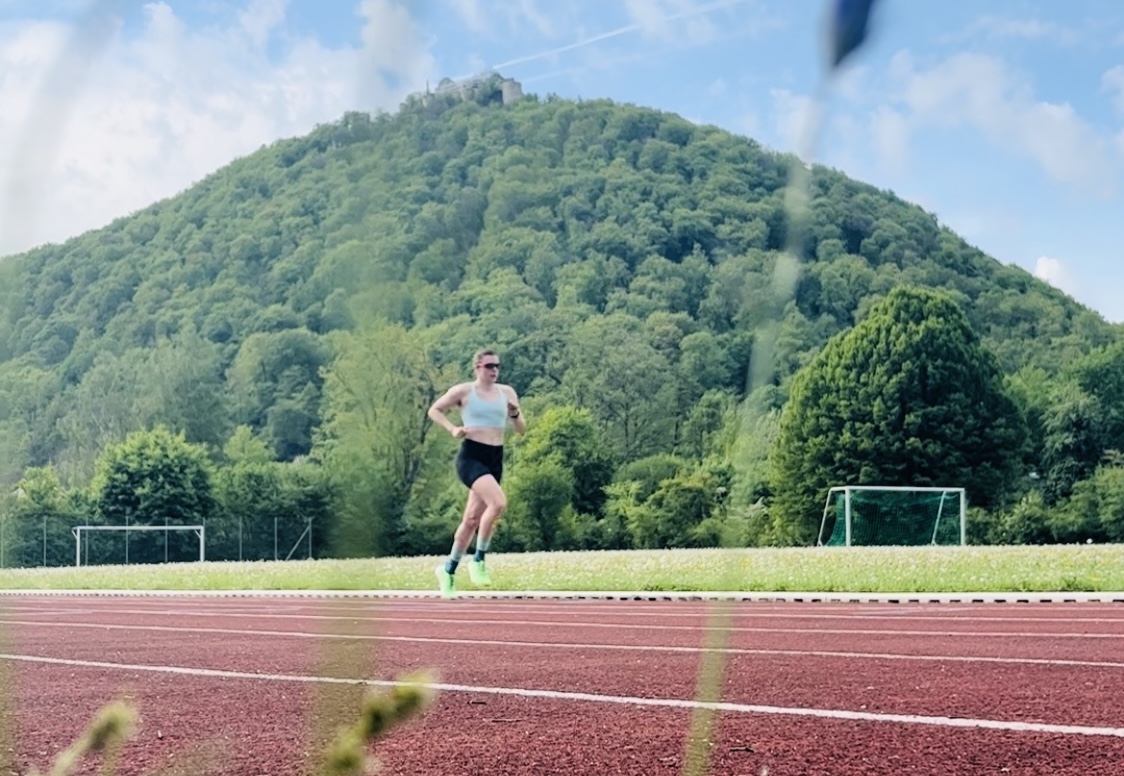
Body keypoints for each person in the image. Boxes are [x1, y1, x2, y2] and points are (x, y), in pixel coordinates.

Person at [427, 348, 525, 598]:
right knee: (499, 502)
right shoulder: (464, 391)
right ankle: (478, 560)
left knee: (471, 520)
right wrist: (452, 428)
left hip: (495, 457)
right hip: (471, 457)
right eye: (489, 366)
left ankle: (447, 571)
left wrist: (514, 413)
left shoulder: (507, 392)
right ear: (477, 367)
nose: (494, 370)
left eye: (497, 366)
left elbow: (521, 428)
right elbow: (434, 410)